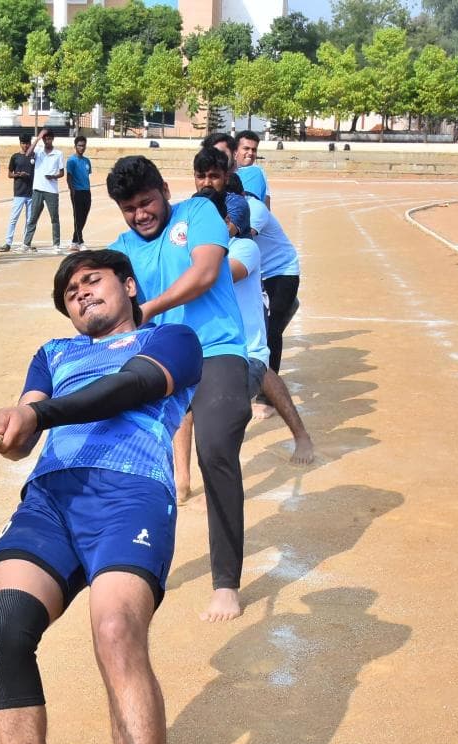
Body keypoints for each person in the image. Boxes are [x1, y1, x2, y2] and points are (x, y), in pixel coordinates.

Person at [0, 248, 202, 744]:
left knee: (115, 631)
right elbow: (25, 439)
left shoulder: (167, 338)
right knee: (3, 628)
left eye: (92, 281)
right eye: (69, 291)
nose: (80, 293)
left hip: (129, 492)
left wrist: (40, 410)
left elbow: (128, 390)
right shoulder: (50, 352)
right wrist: (16, 427)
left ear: (128, 287)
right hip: (50, 499)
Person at [107, 155, 250, 622]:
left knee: (215, 448)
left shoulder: (197, 214)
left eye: (146, 202)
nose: (140, 214)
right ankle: (133, 564)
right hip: (163, 362)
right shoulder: (120, 249)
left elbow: (206, 272)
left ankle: (225, 581)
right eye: (129, 208)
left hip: (216, 350)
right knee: (129, 456)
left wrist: (147, 309)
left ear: (165, 190)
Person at [192, 155, 316, 467]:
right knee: (186, 405)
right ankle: (182, 480)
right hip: (219, 335)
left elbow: (212, 275)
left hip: (268, 295)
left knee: (262, 356)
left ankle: (299, 434)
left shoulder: (243, 243)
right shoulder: (203, 237)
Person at [23, 128, 63, 253]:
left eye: (49, 138)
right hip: (38, 189)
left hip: (51, 190)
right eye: (45, 139)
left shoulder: (58, 153)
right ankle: (26, 243)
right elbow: (27, 154)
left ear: (52, 139)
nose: (47, 141)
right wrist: (38, 138)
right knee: (33, 217)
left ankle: (56, 244)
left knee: (54, 218)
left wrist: (53, 176)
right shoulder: (39, 151)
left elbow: (62, 172)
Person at [1, 134, 35, 253]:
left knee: (30, 220)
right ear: (20, 143)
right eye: (23, 143)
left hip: (32, 193)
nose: (25, 146)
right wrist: (18, 175)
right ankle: (8, 242)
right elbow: (10, 174)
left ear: (30, 144)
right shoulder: (15, 157)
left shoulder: (35, 156)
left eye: (27, 143)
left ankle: (26, 242)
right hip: (19, 192)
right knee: (13, 218)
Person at [67, 136, 91, 252]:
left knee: (83, 217)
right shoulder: (71, 161)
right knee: (77, 217)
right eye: (79, 145)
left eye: (83, 145)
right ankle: (80, 241)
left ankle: (74, 241)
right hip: (77, 192)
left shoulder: (87, 161)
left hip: (87, 191)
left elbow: (87, 175)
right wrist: (72, 191)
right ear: (75, 146)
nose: (82, 148)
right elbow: (69, 177)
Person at [233, 130, 270, 208]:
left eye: (254, 150)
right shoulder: (225, 171)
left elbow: (266, 202)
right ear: (235, 151)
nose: (250, 153)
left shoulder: (256, 172)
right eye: (246, 148)